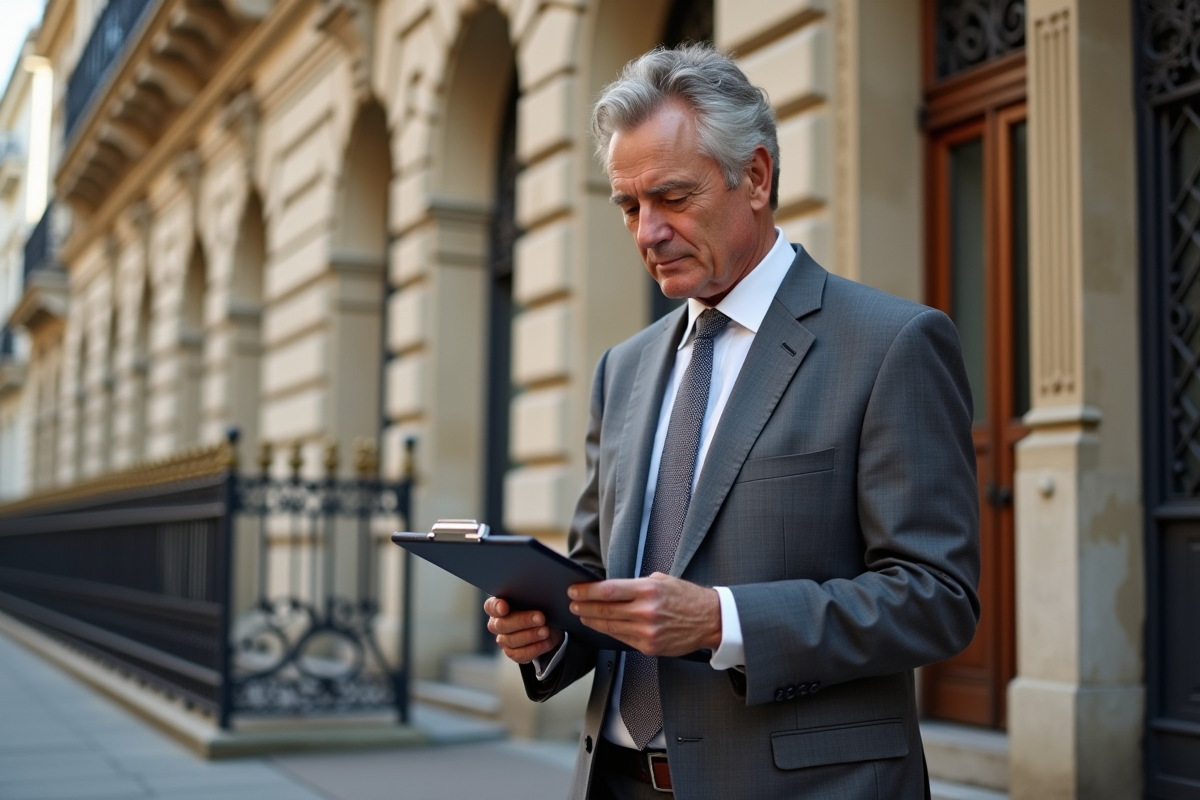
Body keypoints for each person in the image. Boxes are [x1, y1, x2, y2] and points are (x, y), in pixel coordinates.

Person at [484, 43, 980, 799]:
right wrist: (549, 631)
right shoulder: (623, 369)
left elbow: (936, 599)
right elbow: (596, 578)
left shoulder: (890, 344)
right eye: (628, 206)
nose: (647, 231)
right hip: (613, 780)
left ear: (755, 177)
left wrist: (724, 621)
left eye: (672, 198)